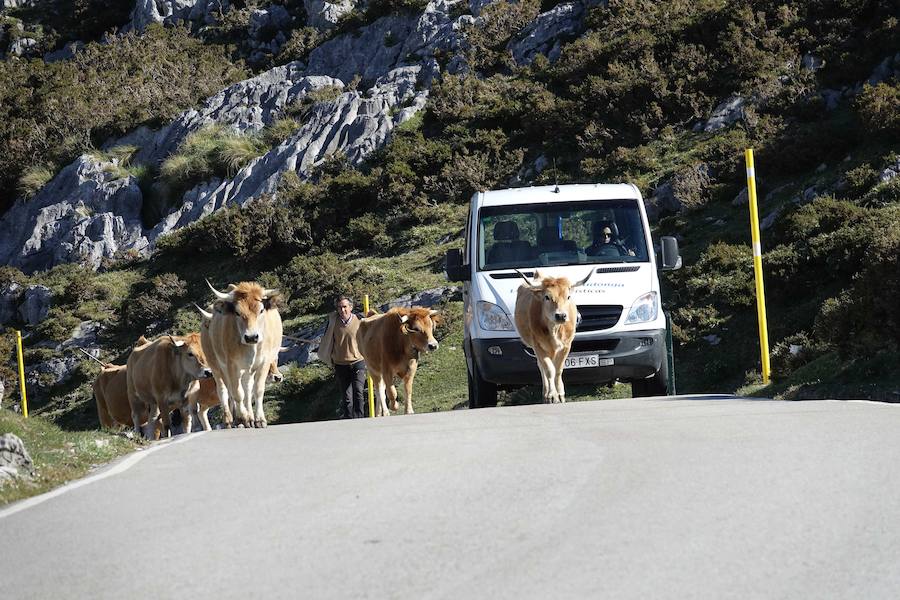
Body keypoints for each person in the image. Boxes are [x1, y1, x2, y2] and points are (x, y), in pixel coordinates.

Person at [318, 295, 368, 419]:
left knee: (358, 392)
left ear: (350, 307)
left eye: (345, 307)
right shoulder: (333, 323)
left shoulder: (360, 320)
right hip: (341, 363)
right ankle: (348, 420)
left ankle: (359, 418)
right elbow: (328, 340)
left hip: (358, 361)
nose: (342, 310)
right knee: (347, 396)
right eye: (339, 308)